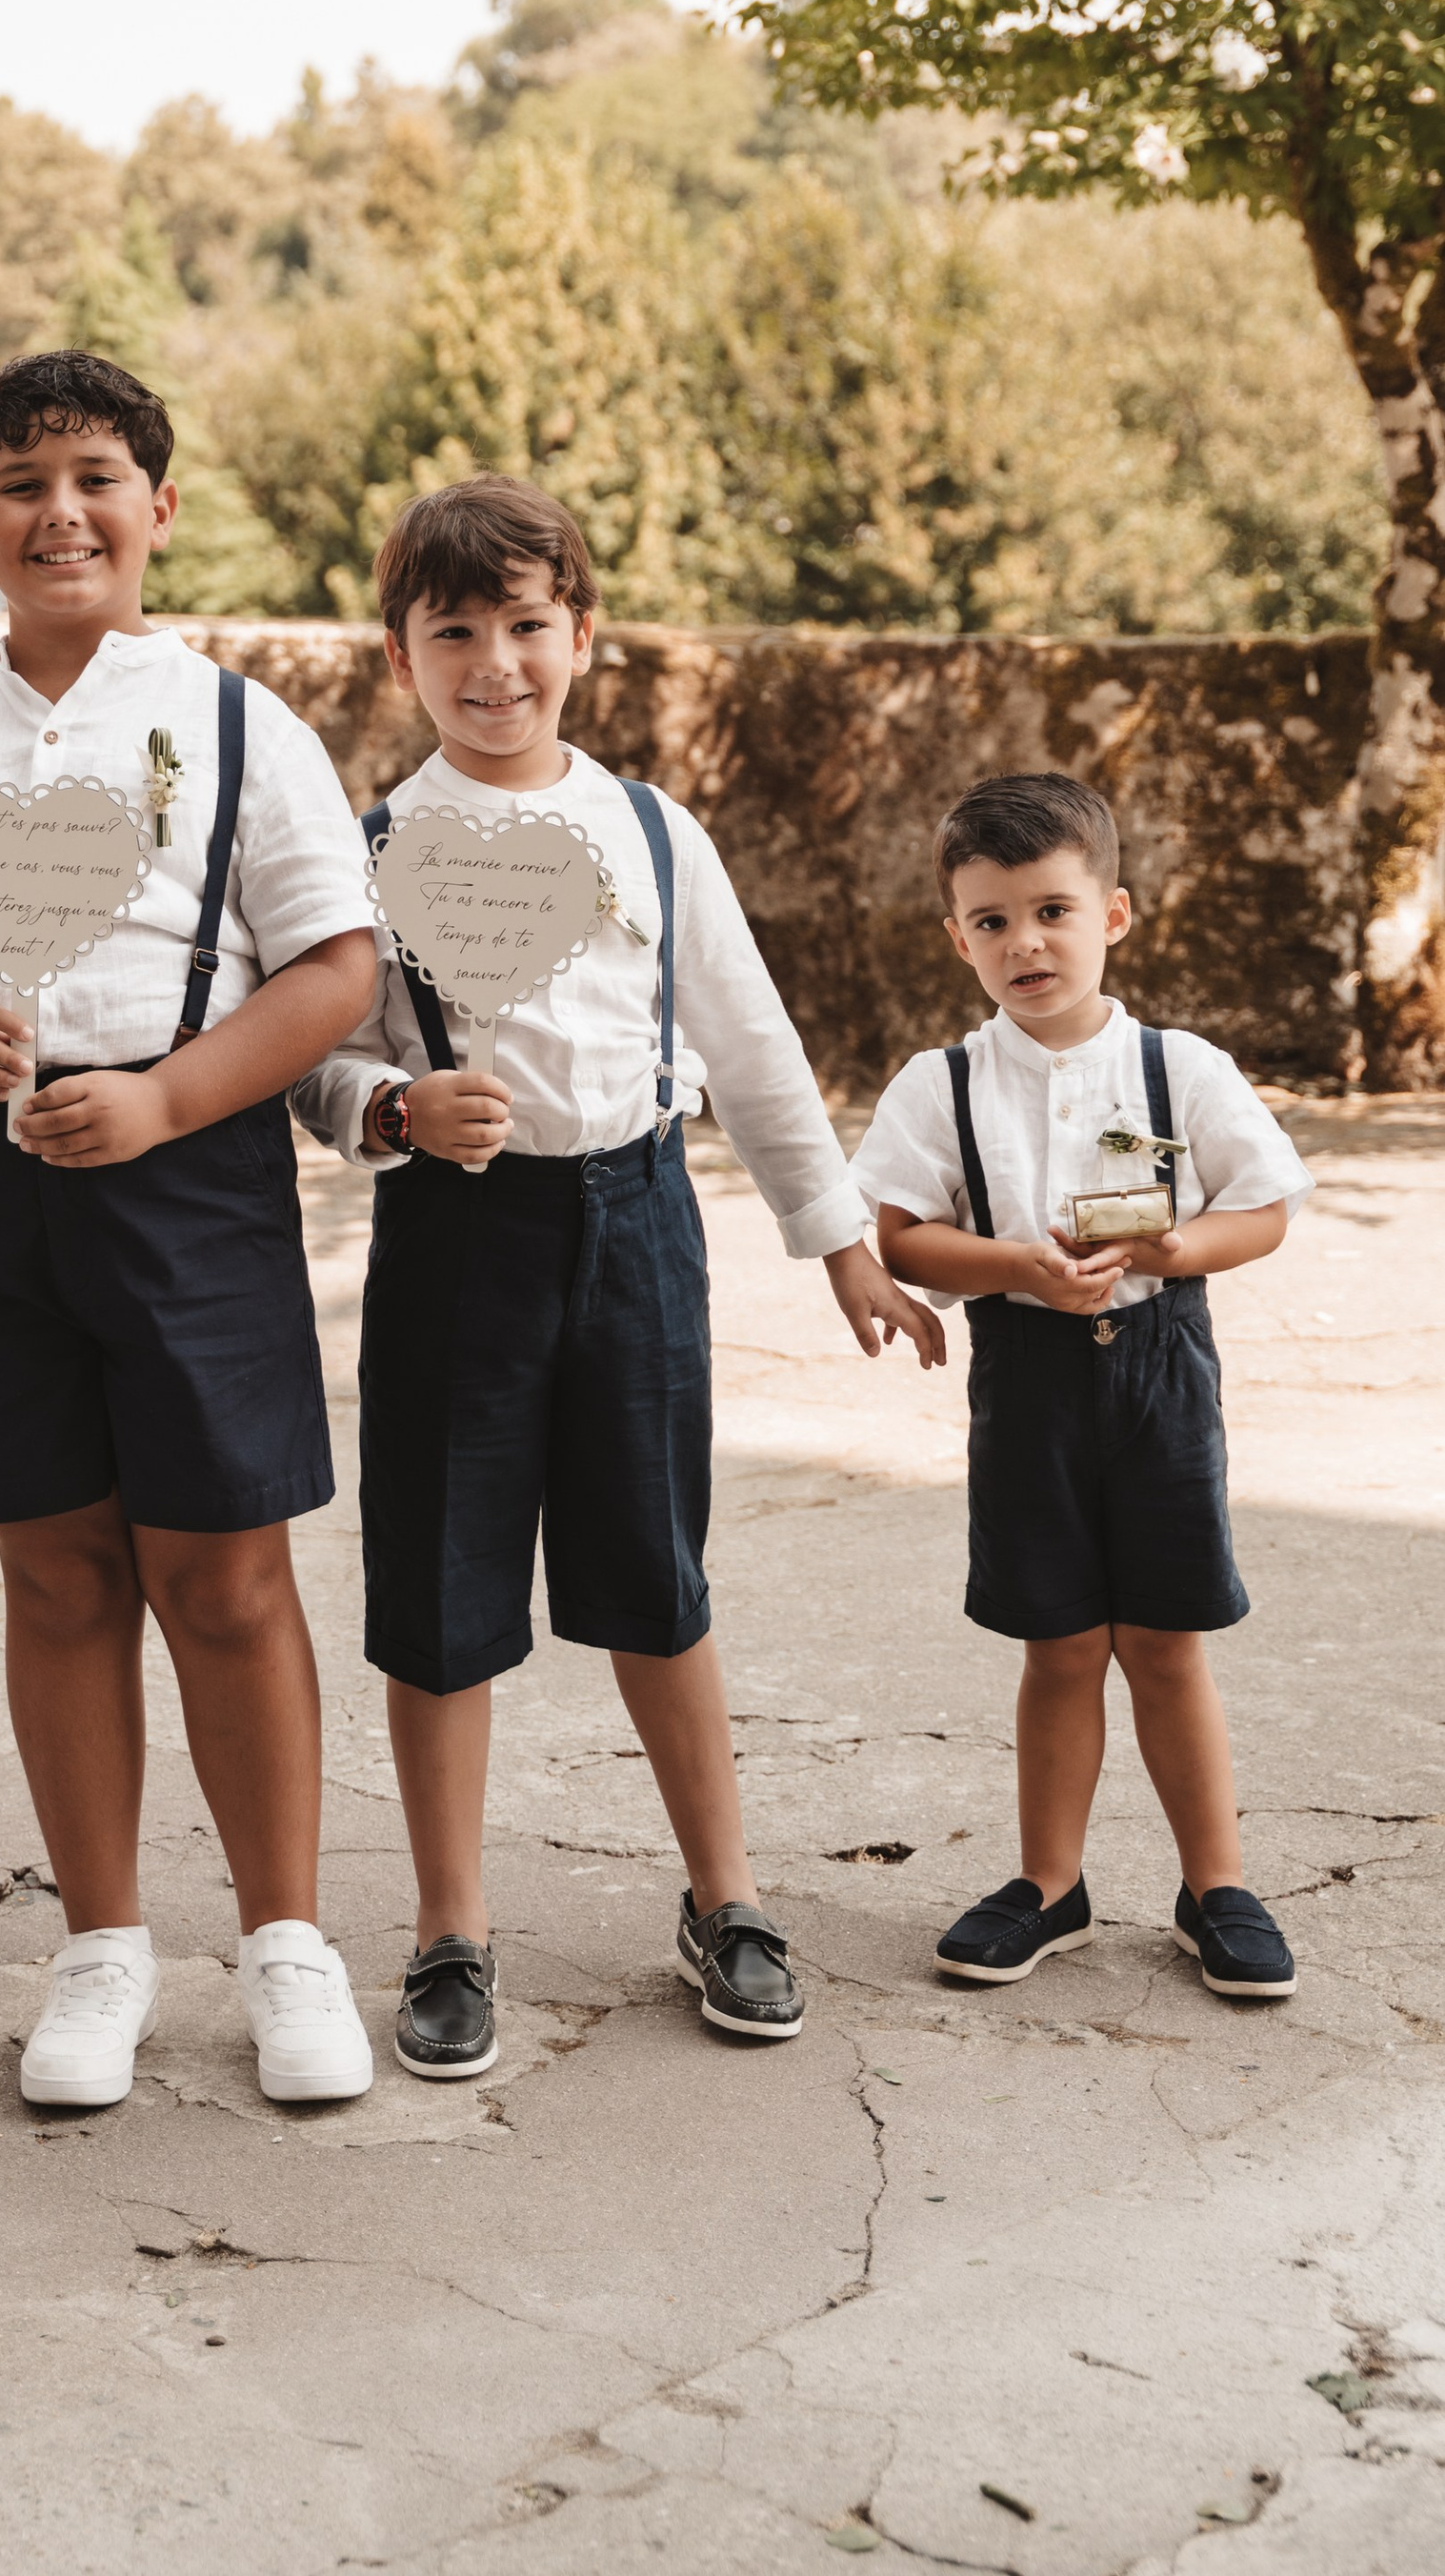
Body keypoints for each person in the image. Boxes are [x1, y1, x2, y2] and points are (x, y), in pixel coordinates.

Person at [0, 349, 382, 2114]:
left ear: (159, 510)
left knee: (223, 1568)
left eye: (98, 476)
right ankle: (103, 1946)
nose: (62, 510)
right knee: (54, 1570)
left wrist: (169, 1099)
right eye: (23, 483)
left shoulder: (233, 721)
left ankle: (287, 1944)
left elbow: (335, 966)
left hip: (187, 1175)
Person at [295, 474, 942, 2071]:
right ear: (402, 657)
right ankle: (453, 1928)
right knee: (440, 1593)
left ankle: (725, 1898)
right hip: (460, 1238)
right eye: (456, 632)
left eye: (527, 624)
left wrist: (842, 1242)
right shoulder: (368, 851)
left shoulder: (655, 831)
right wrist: (391, 1103)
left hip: (640, 1223)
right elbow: (308, 1058)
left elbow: (756, 1048)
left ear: (582, 632)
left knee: (659, 1576)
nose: (495, 662)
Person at [852, 769, 1311, 1999]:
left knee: (1166, 1641)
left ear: (1114, 913)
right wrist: (1010, 1264)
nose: (1025, 942)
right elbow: (898, 1231)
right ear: (959, 937)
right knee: (1058, 1643)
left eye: (1052, 909)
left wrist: (1175, 1248)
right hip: (1030, 1378)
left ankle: (1216, 1883)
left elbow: (1265, 1203)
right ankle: (1049, 1882)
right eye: (992, 921)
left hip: (1160, 1371)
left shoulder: (1181, 1067)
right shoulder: (940, 1082)